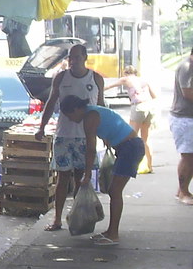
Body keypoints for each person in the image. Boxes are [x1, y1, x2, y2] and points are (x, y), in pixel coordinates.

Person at [59, 95, 145, 245]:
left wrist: (87, 175)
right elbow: (109, 126)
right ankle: (111, 231)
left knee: (115, 192)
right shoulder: (94, 111)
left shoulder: (89, 117)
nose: (71, 120)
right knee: (113, 191)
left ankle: (114, 234)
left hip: (129, 147)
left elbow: (91, 149)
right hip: (128, 146)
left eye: (70, 115)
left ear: (77, 109)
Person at [36, 43, 105, 231]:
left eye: (76, 57)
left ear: (85, 57)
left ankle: (79, 217)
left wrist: (105, 133)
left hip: (86, 136)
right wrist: (41, 127)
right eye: (70, 57)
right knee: (62, 178)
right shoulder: (60, 78)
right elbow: (50, 103)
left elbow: (102, 106)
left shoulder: (96, 78)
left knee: (81, 179)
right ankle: (57, 219)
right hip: (64, 135)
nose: (73, 61)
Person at [105, 65, 157, 173]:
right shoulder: (143, 80)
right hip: (149, 106)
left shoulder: (126, 79)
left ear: (126, 73)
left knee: (131, 137)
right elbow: (154, 95)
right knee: (145, 139)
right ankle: (150, 166)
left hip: (138, 107)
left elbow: (110, 86)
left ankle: (132, 166)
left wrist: (100, 89)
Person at [171, 46, 193, 205]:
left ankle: (182, 190)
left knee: (191, 157)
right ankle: (183, 193)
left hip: (188, 117)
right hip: (184, 118)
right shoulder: (187, 67)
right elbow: (188, 93)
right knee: (187, 157)